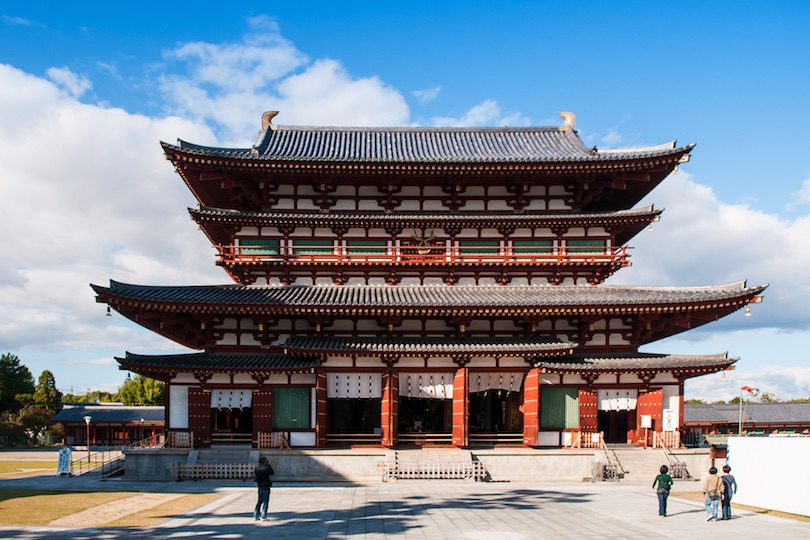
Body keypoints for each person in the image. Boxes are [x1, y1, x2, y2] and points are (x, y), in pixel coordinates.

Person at [253, 456, 274, 521]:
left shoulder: (256, 469)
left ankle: (256, 514)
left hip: (260, 486)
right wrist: (269, 465)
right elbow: (272, 472)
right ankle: (263, 515)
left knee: (259, 501)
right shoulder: (266, 469)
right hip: (266, 485)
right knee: (265, 501)